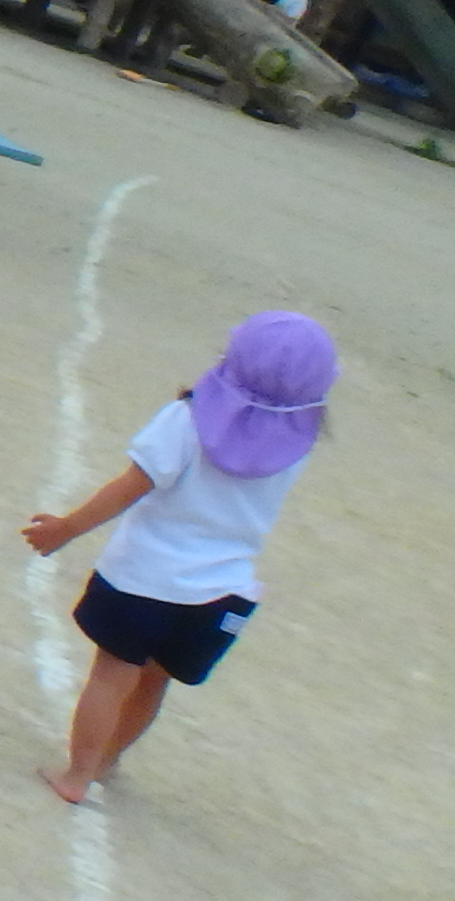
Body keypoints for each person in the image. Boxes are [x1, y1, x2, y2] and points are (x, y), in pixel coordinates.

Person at [23, 313, 336, 802]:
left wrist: (65, 528)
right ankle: (105, 762)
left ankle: (76, 775)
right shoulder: (297, 445)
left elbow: (130, 487)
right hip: (221, 593)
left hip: (142, 579)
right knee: (152, 685)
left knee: (110, 678)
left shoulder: (185, 421)